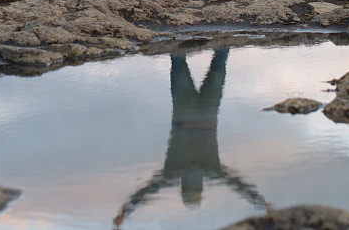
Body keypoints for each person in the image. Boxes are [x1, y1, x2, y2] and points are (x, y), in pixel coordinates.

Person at [112, 48, 268, 228]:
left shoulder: (196, 171)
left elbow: (236, 184)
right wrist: (126, 210)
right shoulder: (181, 173)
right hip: (188, 113)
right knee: (182, 61)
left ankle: (212, 31)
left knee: (215, 60)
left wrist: (260, 202)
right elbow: (237, 184)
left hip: (202, 115)